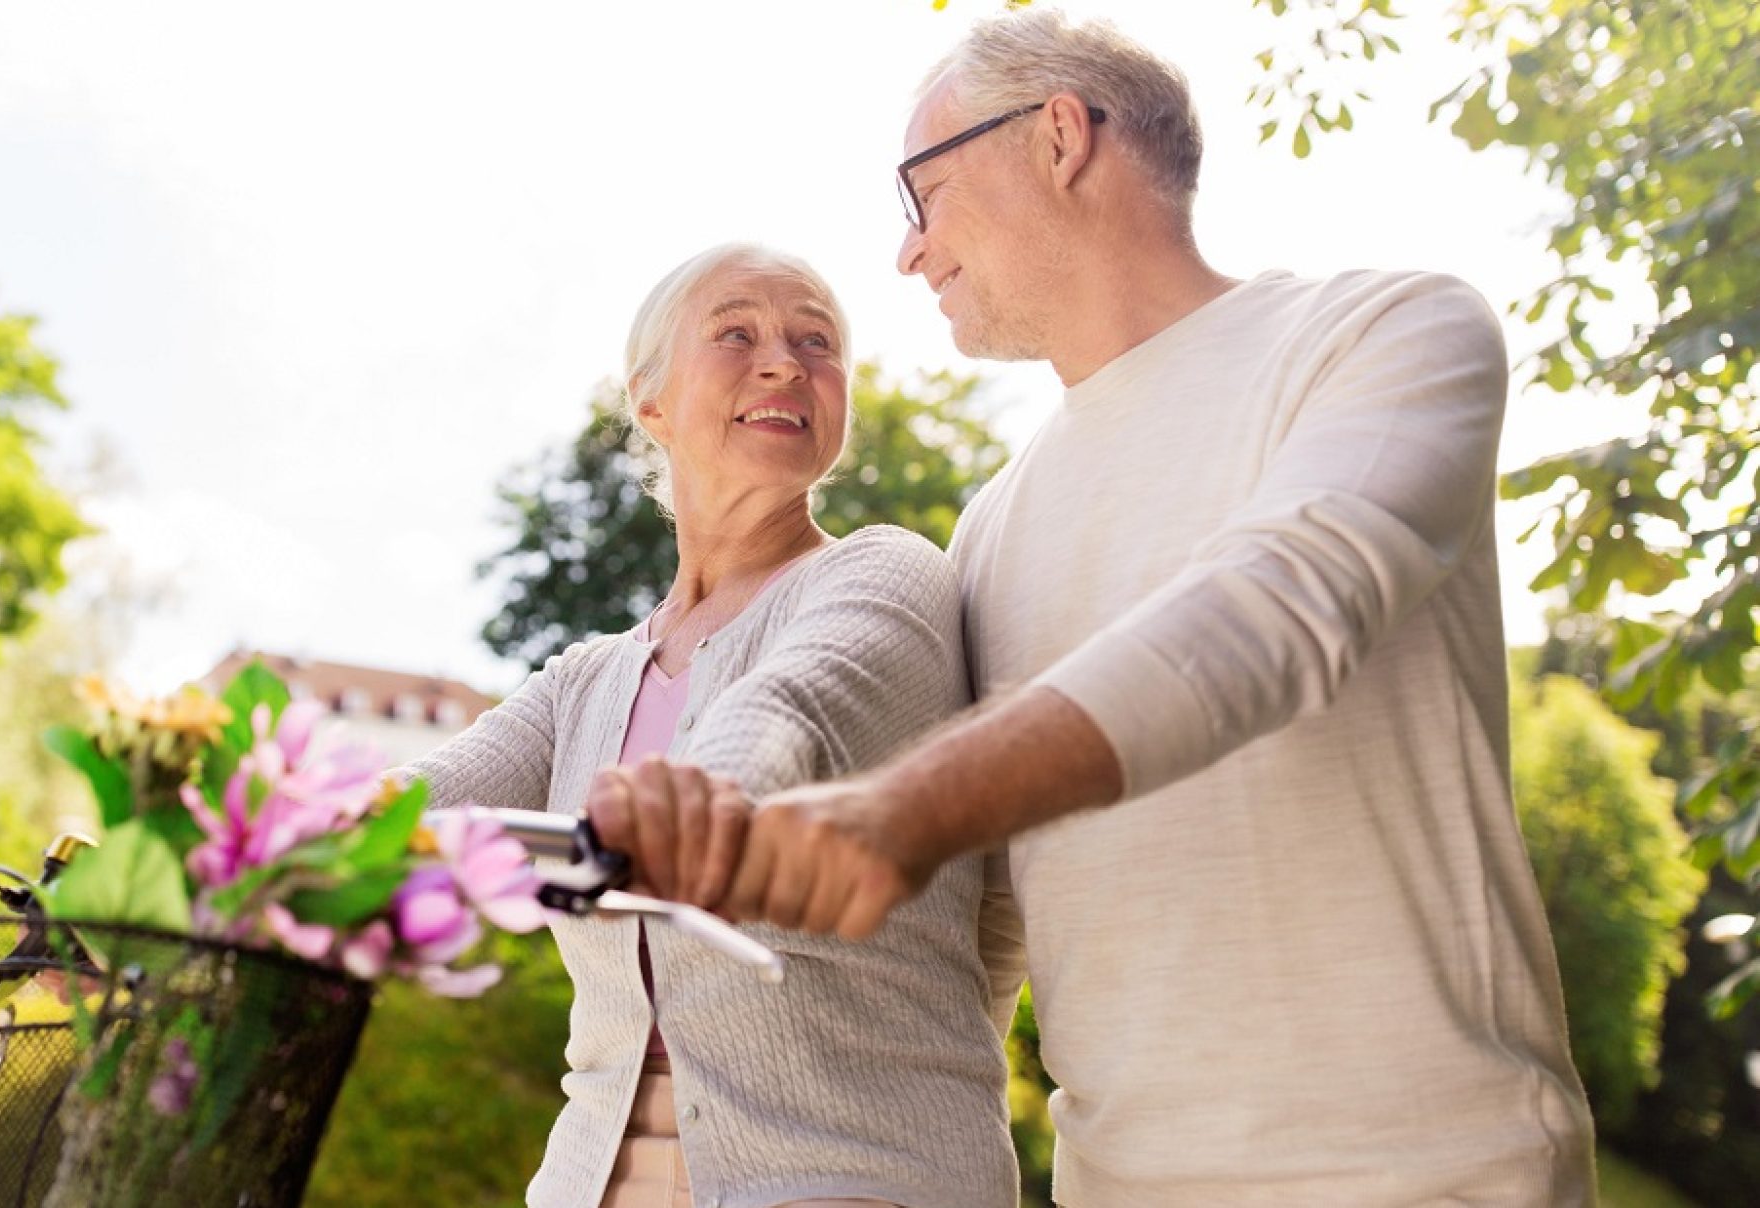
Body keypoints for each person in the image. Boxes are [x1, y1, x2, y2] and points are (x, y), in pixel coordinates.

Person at [597, 11, 1598, 1205]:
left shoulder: (1378, 332)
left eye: (923, 192)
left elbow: (1279, 608)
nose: (908, 254)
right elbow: (993, 925)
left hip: (1426, 1169)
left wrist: (897, 806)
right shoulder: (994, 526)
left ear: (1059, 136)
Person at [406, 243, 1020, 1208]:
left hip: (851, 1174)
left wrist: (701, 795)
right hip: (591, 1180)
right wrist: (201, 840)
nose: (784, 362)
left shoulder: (883, 573)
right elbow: (413, 806)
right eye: (737, 333)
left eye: (816, 341)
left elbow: (796, 707)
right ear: (649, 402)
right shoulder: (586, 680)